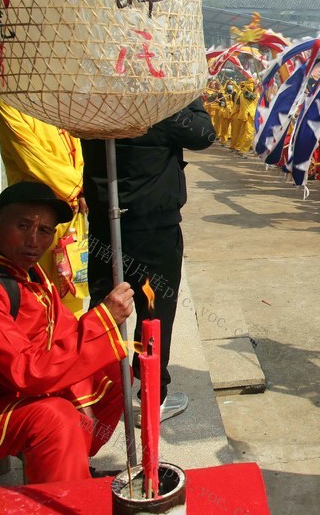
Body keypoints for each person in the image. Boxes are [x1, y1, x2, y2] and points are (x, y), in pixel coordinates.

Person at [0, 181, 134, 486]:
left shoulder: (27, 272)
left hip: (7, 382)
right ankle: (65, 493)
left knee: (114, 368)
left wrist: (81, 386)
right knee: (56, 418)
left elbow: (63, 331)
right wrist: (102, 320)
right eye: (23, 225)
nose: (33, 240)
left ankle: (70, 465)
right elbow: (26, 371)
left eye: (45, 231)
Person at [82, 98, 214, 424]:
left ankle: (93, 393)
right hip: (153, 224)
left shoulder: (92, 96)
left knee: (105, 306)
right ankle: (153, 396)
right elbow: (203, 134)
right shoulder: (156, 99)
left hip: (105, 222)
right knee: (154, 311)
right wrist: (185, 95)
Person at [0, 99, 89, 315]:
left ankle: (69, 340)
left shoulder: (58, 104)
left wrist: (82, 187)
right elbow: (35, 160)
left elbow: (78, 153)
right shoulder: (10, 107)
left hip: (71, 213)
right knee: (36, 290)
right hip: (35, 216)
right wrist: (78, 187)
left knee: (71, 287)